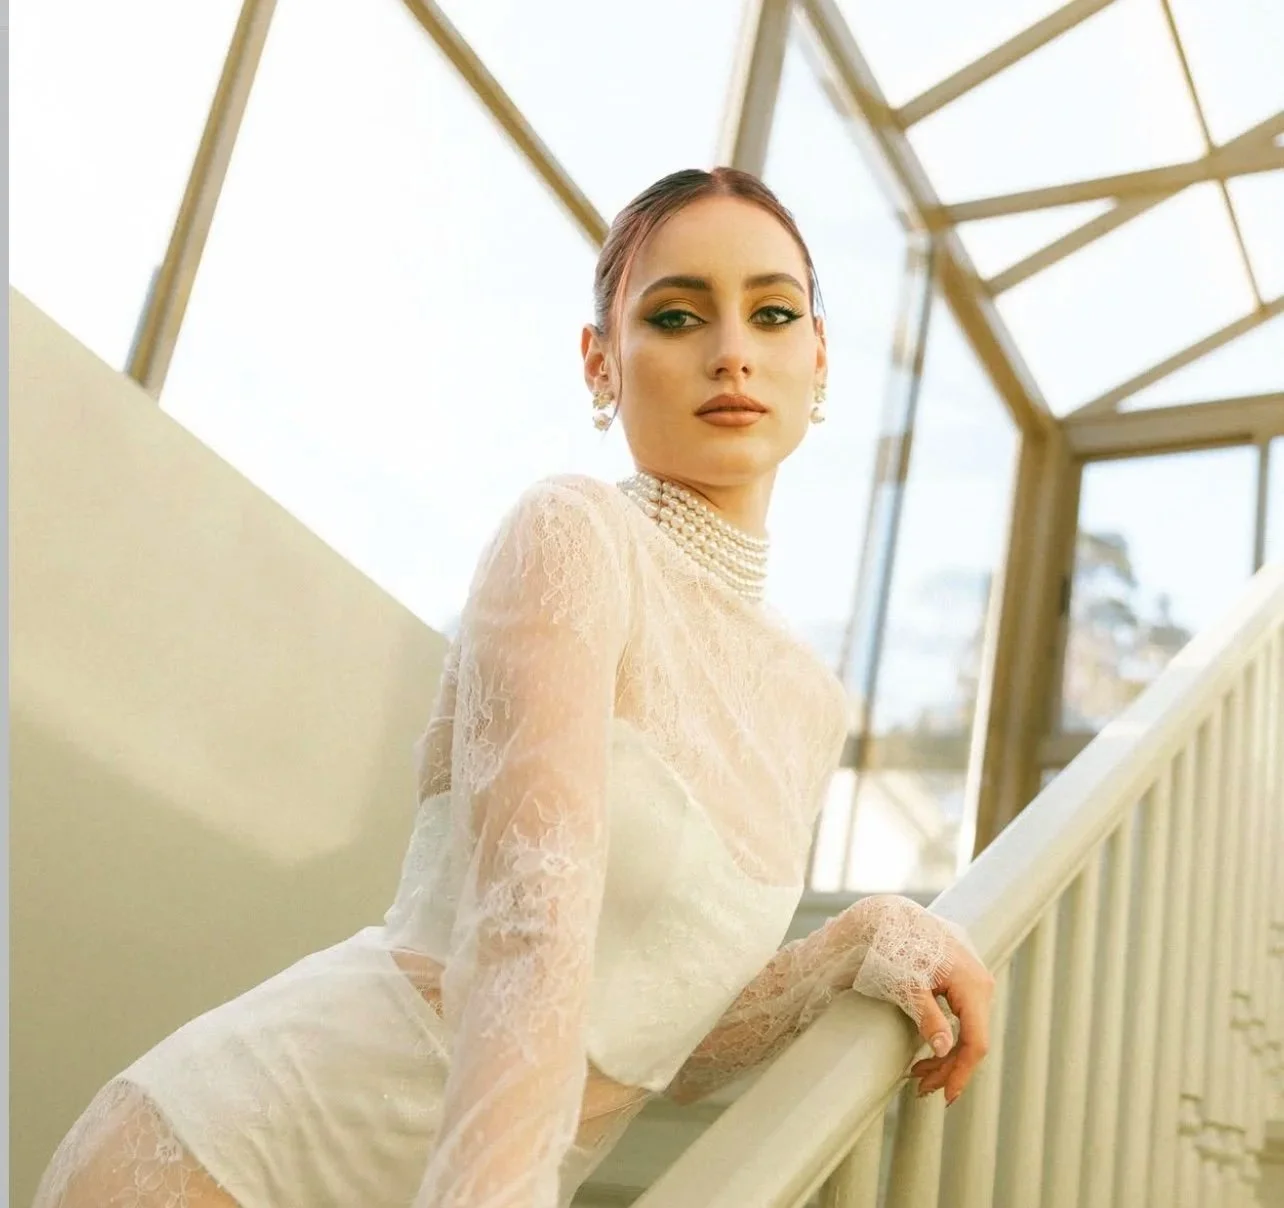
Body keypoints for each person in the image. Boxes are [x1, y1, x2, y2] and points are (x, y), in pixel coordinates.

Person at [33, 167, 994, 1208]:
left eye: (771, 312)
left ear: (818, 360)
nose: (731, 351)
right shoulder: (572, 532)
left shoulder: (811, 704)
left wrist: (858, 936)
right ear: (601, 364)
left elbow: (659, 1034)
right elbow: (530, 932)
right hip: (237, 1155)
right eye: (676, 315)